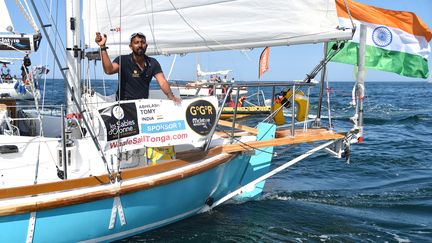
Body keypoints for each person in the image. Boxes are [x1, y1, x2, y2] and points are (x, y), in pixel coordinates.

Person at [95, 32, 180, 103]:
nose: (140, 45)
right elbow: (109, 70)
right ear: (131, 46)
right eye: (136, 42)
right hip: (124, 104)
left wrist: (171, 97)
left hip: (143, 105)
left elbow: (162, 81)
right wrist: (103, 47)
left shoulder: (153, 63)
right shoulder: (122, 60)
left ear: (146, 45)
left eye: (142, 42)